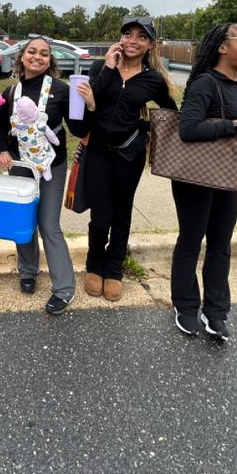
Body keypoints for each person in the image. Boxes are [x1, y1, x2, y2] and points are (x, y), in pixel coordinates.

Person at [170, 23, 237, 341]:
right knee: (191, 241)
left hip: (228, 176)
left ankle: (216, 312)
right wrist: (236, 124)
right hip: (195, 178)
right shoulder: (204, 83)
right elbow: (187, 129)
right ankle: (186, 307)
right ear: (223, 47)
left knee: (220, 246)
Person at [77, 16, 177, 302]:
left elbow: (168, 113)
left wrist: (143, 129)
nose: (133, 41)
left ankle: (114, 269)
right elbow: (85, 113)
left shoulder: (152, 80)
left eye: (141, 37)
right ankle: (94, 265)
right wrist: (108, 69)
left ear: (150, 45)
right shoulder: (99, 68)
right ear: (120, 38)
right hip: (97, 152)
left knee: (121, 214)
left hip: (128, 156)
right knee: (100, 217)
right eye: (128, 34)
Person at [0, 36, 88, 315]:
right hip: (20, 166)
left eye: (44, 54)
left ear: (50, 60)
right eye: (32, 52)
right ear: (21, 57)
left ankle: (64, 288)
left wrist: (88, 104)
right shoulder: (11, 92)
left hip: (51, 167)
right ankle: (28, 271)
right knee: (24, 221)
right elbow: (1, 129)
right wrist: (1, 150)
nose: (38, 57)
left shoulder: (62, 89)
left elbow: (79, 129)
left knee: (49, 225)